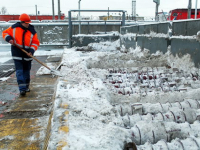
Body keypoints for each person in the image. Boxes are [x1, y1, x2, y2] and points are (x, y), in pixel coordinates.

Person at [2, 13, 40, 96]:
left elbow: (35, 42)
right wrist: (9, 39)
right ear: (22, 22)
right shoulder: (14, 28)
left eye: (28, 23)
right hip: (17, 53)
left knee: (26, 72)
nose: (27, 24)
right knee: (19, 72)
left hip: (27, 55)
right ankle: (22, 89)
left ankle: (26, 87)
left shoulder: (32, 31)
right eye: (26, 23)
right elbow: (5, 33)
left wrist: (31, 50)